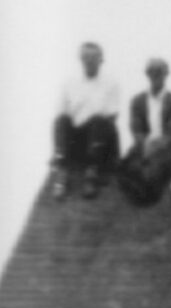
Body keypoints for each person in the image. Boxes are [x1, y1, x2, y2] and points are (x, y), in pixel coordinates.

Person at [50, 41, 122, 199]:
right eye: (85, 57)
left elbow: (112, 116)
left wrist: (94, 127)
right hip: (76, 141)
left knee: (98, 120)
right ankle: (62, 172)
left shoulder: (111, 83)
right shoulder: (69, 83)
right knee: (61, 120)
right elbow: (62, 112)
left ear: (101, 60)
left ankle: (91, 174)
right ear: (80, 59)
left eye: (93, 58)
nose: (89, 61)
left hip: (99, 141)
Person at [118, 57, 171, 206]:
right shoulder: (137, 100)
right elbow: (136, 128)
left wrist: (154, 148)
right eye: (152, 71)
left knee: (154, 169)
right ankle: (138, 183)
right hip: (144, 145)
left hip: (168, 147)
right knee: (124, 166)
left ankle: (146, 189)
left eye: (160, 71)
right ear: (147, 74)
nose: (156, 75)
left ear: (166, 74)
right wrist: (144, 145)